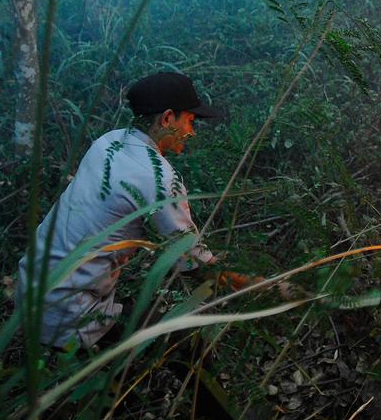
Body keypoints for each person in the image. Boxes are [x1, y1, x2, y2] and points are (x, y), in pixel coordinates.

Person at [16, 71, 281, 350]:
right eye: (189, 121)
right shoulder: (158, 180)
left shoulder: (108, 142)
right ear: (167, 118)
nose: (191, 132)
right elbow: (194, 266)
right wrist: (273, 286)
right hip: (70, 317)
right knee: (182, 343)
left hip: (30, 292)